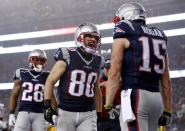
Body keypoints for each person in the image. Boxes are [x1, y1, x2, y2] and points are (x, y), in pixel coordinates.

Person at [105, 2, 172, 131]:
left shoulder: (125, 28)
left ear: (126, 15)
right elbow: (166, 79)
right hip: (156, 99)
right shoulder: (159, 34)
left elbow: (114, 72)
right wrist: (168, 110)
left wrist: (108, 105)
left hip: (135, 95)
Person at [44, 23, 104, 131]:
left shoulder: (98, 61)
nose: (93, 39)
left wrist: (99, 112)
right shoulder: (68, 55)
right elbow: (50, 81)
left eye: (95, 37)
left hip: (88, 113)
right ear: (79, 37)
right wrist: (48, 105)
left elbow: (96, 89)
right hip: (66, 111)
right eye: (89, 36)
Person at [8, 49, 51, 131]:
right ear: (31, 59)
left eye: (42, 60)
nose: (40, 62)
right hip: (23, 112)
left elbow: (51, 97)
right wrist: (11, 113)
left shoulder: (48, 75)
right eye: (37, 59)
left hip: (40, 114)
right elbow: (14, 94)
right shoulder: (21, 73)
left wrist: (51, 114)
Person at [98, 59, 121, 131]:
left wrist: (112, 87)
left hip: (116, 120)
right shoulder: (96, 83)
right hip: (100, 120)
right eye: (107, 67)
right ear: (103, 69)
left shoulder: (120, 84)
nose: (109, 70)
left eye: (111, 68)